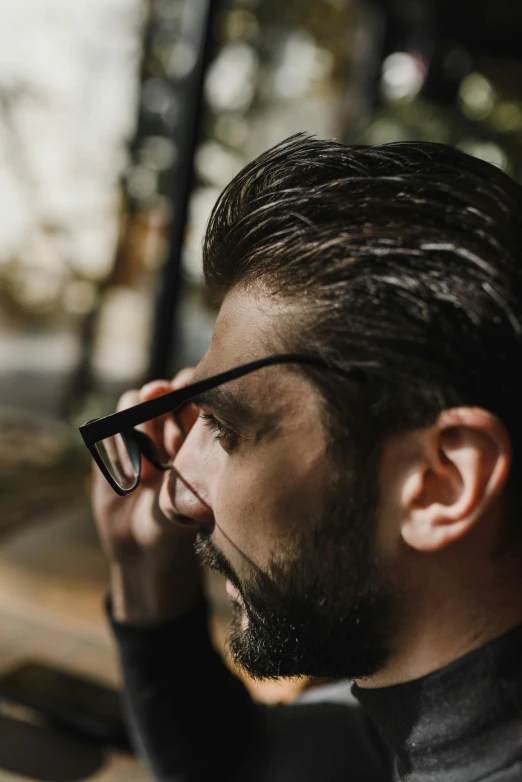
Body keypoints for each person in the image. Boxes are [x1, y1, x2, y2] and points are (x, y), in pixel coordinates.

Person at [89, 134, 522, 782]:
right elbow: (257, 765)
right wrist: (146, 571)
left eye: (227, 428)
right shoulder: (424, 721)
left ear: (443, 483)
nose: (178, 492)